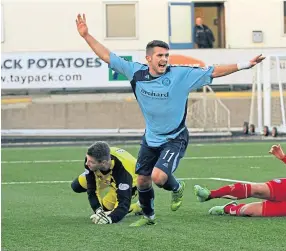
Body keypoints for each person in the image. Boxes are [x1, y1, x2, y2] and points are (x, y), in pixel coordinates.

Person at [75, 13, 265, 227]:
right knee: (143, 180)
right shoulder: (135, 73)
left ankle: (176, 187)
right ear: (149, 58)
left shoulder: (180, 75)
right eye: (160, 55)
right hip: (150, 138)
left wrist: (244, 65)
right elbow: (108, 56)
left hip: (175, 137)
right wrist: (86, 36)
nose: (164, 59)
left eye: (166, 55)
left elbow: (214, 71)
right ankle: (149, 217)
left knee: (158, 177)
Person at [71, 141, 142, 224]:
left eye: (91, 162)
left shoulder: (124, 174)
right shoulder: (92, 157)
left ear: (103, 162)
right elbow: (92, 189)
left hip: (132, 179)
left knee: (110, 210)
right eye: (87, 159)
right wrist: (98, 210)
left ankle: (139, 207)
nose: (87, 163)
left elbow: (123, 205)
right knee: (76, 186)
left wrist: (110, 219)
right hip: (106, 172)